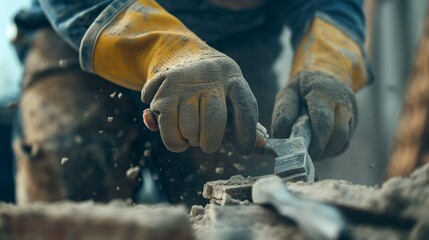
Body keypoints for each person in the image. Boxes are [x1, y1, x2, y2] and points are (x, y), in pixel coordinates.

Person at [10, 0, 371, 204]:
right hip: (84, 35)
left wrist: (327, 64)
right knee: (70, 185)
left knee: (255, 200)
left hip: (236, 52)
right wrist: (170, 50)